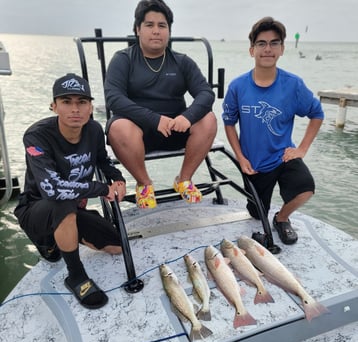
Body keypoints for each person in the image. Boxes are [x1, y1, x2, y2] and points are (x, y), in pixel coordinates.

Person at [14, 73, 127, 309]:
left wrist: (118, 179)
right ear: (54, 106)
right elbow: (52, 189)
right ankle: (75, 275)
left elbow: (102, 161)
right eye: (66, 102)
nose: (75, 109)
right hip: (36, 207)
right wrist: (102, 188)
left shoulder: (94, 130)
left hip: (71, 207)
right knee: (62, 202)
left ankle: (65, 236)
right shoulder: (36, 136)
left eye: (81, 102)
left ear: (90, 107)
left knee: (116, 246)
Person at [104, 0, 217, 209]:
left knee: (208, 119)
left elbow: (206, 93)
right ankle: (144, 184)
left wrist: (187, 117)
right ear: (138, 29)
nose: (156, 31)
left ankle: (183, 180)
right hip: (137, 133)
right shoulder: (123, 59)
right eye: (149, 25)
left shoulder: (182, 61)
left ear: (169, 31)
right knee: (118, 126)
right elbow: (113, 98)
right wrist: (154, 119)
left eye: (162, 26)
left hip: (176, 129)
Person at [222, 17, 324, 245]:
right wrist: (240, 157)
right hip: (255, 164)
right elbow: (229, 122)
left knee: (306, 188)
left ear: (282, 49)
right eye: (261, 43)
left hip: (283, 155)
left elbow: (317, 114)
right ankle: (265, 209)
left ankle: (282, 218)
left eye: (274, 43)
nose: (267, 49)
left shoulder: (293, 85)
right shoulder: (237, 87)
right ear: (252, 50)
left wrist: (302, 149)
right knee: (256, 214)